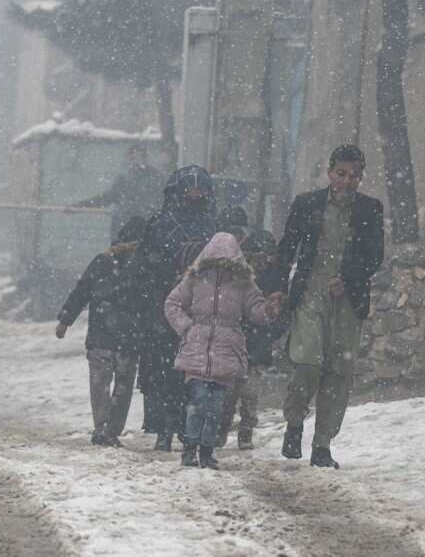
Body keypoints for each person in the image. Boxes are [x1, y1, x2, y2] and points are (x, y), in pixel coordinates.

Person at [270, 145, 384, 469]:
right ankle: (294, 423)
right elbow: (286, 249)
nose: (347, 182)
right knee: (307, 361)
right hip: (310, 293)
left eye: (354, 176)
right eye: (342, 174)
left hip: (348, 300)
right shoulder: (307, 205)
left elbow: (375, 256)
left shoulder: (369, 210)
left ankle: (322, 445)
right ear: (329, 172)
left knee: (339, 372)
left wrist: (349, 278)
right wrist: (278, 289)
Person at [112, 164, 216, 451]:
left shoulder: (211, 226)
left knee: (195, 372)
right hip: (162, 310)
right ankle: (164, 429)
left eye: (200, 189)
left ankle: (188, 427)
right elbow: (143, 268)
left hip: (200, 310)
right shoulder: (160, 224)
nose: (195, 195)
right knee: (162, 371)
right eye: (190, 189)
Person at [164, 232, 275, 469]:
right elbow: (172, 304)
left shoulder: (243, 284)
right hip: (198, 350)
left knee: (215, 407)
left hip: (225, 352)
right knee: (200, 402)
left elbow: (257, 312)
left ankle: (206, 450)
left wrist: (269, 310)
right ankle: (191, 447)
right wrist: (187, 327)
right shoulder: (194, 280)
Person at [55, 217, 148, 447]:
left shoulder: (103, 261)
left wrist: (66, 320)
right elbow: (153, 301)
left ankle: (102, 428)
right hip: (128, 338)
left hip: (102, 336)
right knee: (122, 387)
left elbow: (81, 291)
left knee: (100, 384)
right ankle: (111, 430)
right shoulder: (146, 265)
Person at [216, 229, 282, 450]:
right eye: (256, 255)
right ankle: (222, 430)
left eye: (265, 255)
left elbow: (280, 312)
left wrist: (271, 331)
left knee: (249, 394)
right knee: (229, 393)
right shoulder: (237, 276)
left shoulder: (275, 278)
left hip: (256, 343)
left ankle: (246, 432)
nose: (261, 261)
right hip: (237, 341)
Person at [74, 145, 165, 242]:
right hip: (125, 234)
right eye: (131, 158)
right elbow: (106, 198)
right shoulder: (125, 179)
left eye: (136, 158)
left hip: (139, 234)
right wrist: (79, 206)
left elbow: (159, 203)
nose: (134, 162)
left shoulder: (155, 179)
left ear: (144, 158)